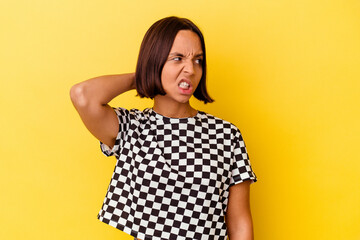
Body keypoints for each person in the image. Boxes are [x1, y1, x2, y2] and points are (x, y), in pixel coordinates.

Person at [70, 16, 257, 240]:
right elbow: (82, 96)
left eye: (198, 60)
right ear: (155, 61)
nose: (190, 69)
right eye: (177, 58)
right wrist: (144, 75)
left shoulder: (226, 135)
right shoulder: (131, 128)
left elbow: (239, 223)